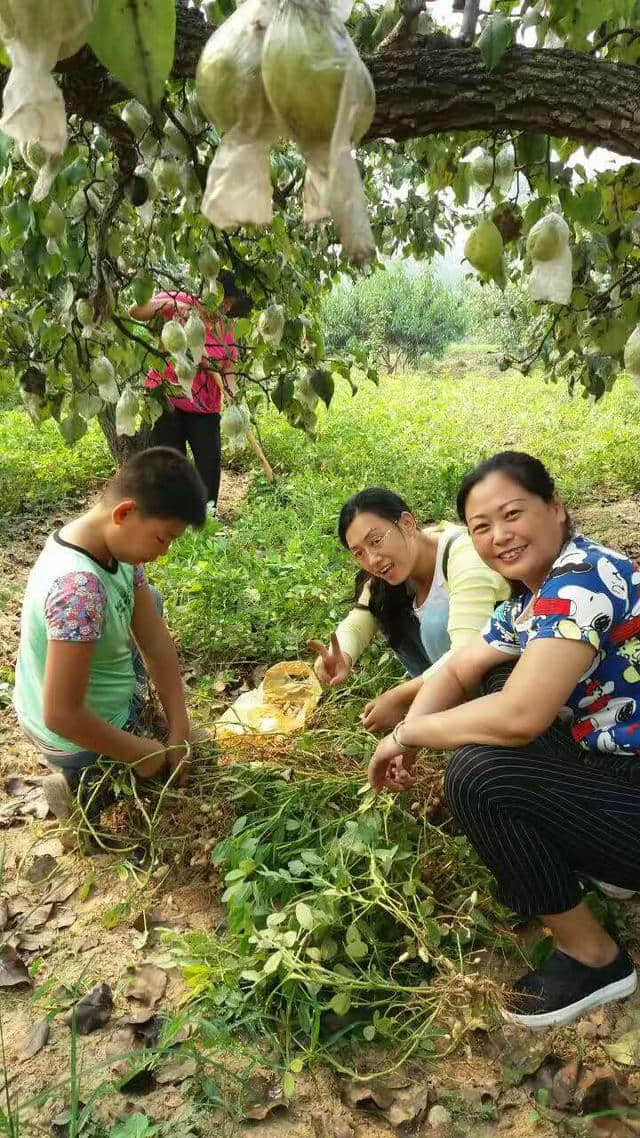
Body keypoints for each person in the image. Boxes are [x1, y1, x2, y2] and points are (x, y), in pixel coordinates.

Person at [368, 451, 640, 1029]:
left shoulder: (580, 583)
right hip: (616, 768)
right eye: (481, 527)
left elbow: (520, 718)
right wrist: (408, 735)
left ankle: (595, 959)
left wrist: (408, 731)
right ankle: (610, 865)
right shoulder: (534, 597)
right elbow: (459, 667)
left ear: (556, 508)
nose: (499, 536)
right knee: (491, 678)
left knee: (478, 771)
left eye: (512, 514)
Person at [13, 447, 207, 828]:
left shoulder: (108, 546)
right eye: (162, 538)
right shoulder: (79, 589)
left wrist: (178, 727)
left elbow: (155, 642)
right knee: (128, 794)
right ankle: (74, 787)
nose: (163, 553)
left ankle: (122, 742)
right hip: (70, 732)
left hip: (92, 686)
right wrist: (137, 751)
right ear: (124, 514)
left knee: (149, 600)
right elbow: (61, 714)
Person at [309, 487, 509, 731]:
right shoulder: (391, 573)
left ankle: (466, 719)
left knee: (436, 621)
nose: (372, 559)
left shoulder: (464, 554)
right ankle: (443, 714)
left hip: (507, 673)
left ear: (407, 523)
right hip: (454, 681)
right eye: (359, 553)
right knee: (386, 609)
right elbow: (360, 619)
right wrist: (342, 654)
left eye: (376, 541)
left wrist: (403, 701)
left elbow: (465, 651)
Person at [129, 272, 249, 517]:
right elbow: (135, 310)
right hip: (167, 399)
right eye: (225, 302)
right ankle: (171, 522)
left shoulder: (227, 327)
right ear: (213, 292)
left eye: (230, 307)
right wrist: (173, 305)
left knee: (209, 466)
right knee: (171, 467)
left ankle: (205, 522)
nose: (225, 309)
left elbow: (228, 368)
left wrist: (233, 397)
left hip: (205, 407)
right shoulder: (182, 301)